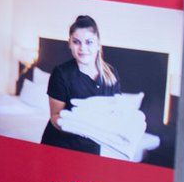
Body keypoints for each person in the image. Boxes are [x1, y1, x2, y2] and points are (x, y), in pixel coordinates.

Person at [41, 14, 123, 155]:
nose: (82, 48)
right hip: (59, 146)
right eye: (76, 42)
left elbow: (116, 111)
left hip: (91, 149)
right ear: (69, 43)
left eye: (89, 42)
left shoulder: (111, 74)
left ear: (98, 45)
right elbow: (55, 116)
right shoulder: (61, 73)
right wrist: (83, 128)